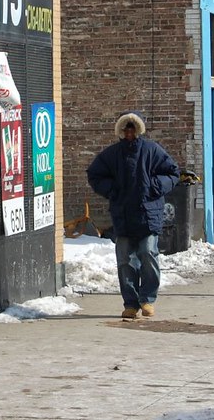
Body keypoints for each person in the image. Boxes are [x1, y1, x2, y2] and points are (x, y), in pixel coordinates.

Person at [87, 111, 180, 319]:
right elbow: (94, 174)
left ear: (138, 130)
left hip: (149, 214)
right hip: (123, 215)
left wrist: (154, 186)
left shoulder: (152, 151)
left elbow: (173, 172)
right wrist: (112, 190)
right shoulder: (112, 154)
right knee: (125, 261)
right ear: (121, 131)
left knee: (148, 253)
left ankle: (147, 299)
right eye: (125, 130)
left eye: (132, 129)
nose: (129, 133)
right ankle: (130, 302)